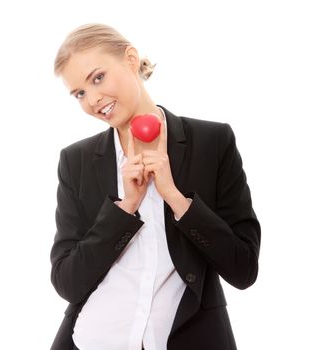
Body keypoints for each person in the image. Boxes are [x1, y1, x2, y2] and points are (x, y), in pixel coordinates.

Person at [49, 23, 261, 350]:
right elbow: (67, 282)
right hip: (92, 339)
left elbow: (243, 268)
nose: (92, 99)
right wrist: (125, 209)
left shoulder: (213, 143)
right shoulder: (76, 161)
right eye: (79, 93)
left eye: (98, 77)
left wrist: (177, 199)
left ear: (131, 59)